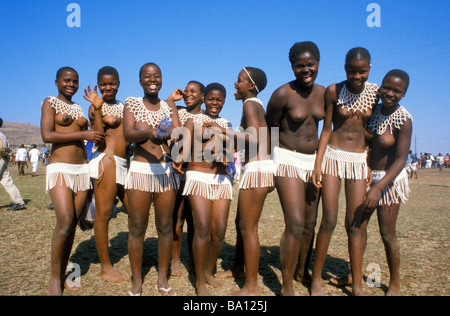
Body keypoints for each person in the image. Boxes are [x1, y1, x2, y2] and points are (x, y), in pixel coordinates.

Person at [311, 47, 378, 296]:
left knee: (355, 224)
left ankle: (358, 284)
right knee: (328, 219)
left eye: (362, 72)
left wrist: (368, 161)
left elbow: (371, 132)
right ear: (344, 68)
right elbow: (326, 128)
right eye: (351, 71)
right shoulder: (333, 90)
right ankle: (316, 278)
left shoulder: (376, 94)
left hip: (359, 160)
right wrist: (318, 163)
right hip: (332, 156)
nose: (356, 76)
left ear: (369, 69)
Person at [266, 42, 325, 296]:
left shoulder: (325, 93)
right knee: (296, 223)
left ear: (318, 63)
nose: (306, 70)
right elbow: (270, 129)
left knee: (311, 223)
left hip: (313, 162)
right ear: (292, 67)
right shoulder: (283, 94)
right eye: (299, 66)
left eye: (310, 64)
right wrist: (269, 166)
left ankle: (303, 271)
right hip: (287, 158)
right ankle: (287, 284)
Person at [41, 67, 105, 295]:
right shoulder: (49, 102)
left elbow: (98, 135)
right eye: (67, 80)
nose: (71, 84)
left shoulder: (78, 108)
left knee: (72, 226)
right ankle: (53, 279)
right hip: (60, 168)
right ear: (57, 82)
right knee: (65, 220)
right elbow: (47, 135)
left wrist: (97, 110)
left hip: (81, 171)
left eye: (75, 81)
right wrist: (81, 134)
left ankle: (62, 276)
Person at [123, 62, 180, 296]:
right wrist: (150, 133)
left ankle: (162, 277)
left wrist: (175, 140)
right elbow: (128, 134)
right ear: (140, 81)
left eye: (157, 75)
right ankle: (137, 280)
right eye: (147, 76)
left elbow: (177, 134)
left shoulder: (169, 106)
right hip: (140, 171)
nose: (152, 79)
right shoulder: (132, 103)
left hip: (165, 172)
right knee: (137, 227)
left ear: (162, 79)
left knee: (165, 227)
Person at [216, 67, 275, 296]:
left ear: (251, 86)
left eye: (239, 80)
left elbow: (254, 139)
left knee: (248, 228)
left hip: (258, 168)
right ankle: (238, 269)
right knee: (242, 223)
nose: (235, 83)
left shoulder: (250, 103)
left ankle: (252, 287)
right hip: (258, 167)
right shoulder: (253, 104)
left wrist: (223, 132)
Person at [179, 82, 233, 296]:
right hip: (198, 175)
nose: (214, 103)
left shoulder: (226, 123)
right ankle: (200, 281)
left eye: (219, 100)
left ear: (224, 102)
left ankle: (209, 271)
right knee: (202, 227)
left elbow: (230, 152)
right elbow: (182, 148)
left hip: (221, 179)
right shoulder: (194, 120)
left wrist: (225, 155)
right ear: (204, 99)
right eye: (211, 98)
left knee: (219, 232)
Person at [363, 69, 413, 295]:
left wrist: (378, 187)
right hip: (367, 177)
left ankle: (394, 283)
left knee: (387, 233)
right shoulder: (373, 110)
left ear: (404, 94)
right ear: (380, 86)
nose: (390, 93)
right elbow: (365, 141)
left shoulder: (404, 119)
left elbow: (402, 159)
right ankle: (354, 273)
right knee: (356, 228)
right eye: (387, 87)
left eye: (397, 90)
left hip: (389, 181)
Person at [83, 66, 130, 283]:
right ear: (98, 85)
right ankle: (106, 267)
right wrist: (99, 109)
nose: (108, 87)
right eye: (103, 84)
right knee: (104, 214)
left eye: (112, 83)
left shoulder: (124, 106)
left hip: (124, 163)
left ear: (119, 84)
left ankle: (136, 251)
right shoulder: (95, 107)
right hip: (106, 160)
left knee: (134, 211)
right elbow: (99, 136)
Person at [167, 80, 205, 276]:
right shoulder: (179, 112)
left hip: (196, 174)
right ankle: (174, 259)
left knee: (194, 220)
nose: (188, 94)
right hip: (177, 172)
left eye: (193, 91)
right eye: (187, 91)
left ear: (203, 97)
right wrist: (171, 100)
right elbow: (158, 112)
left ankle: (192, 260)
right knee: (177, 217)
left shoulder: (207, 118)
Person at [0, 118, 26, 211]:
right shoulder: (2, 135)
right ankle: (19, 202)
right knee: (7, 182)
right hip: (3, 160)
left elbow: (1, 148)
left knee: (8, 182)